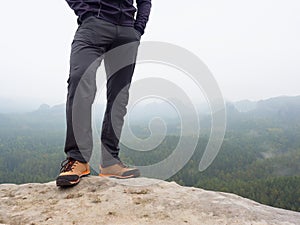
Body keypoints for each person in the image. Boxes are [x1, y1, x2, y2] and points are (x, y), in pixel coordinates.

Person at [56, 0, 152, 187]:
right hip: (93, 25)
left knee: (119, 96)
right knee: (80, 80)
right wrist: (86, 12)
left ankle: (110, 162)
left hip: (127, 30)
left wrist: (138, 28)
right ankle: (78, 159)